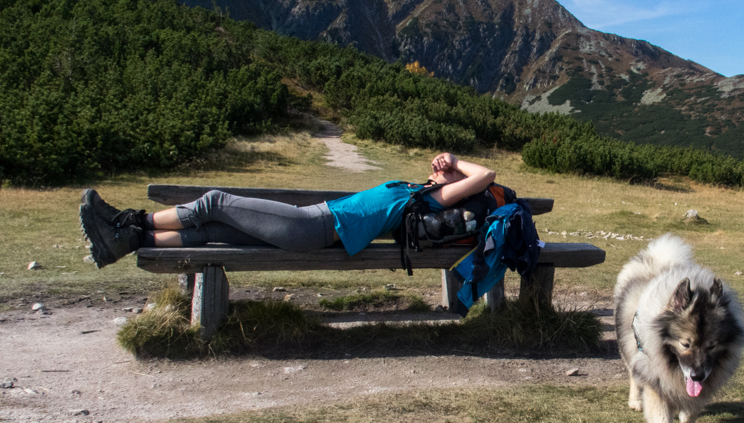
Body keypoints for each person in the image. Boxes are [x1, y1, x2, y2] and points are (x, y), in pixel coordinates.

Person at [79, 153, 496, 268]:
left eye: (450, 175)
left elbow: (488, 173)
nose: (440, 170)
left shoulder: (426, 200)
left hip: (315, 227)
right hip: (315, 221)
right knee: (212, 231)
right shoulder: (417, 191)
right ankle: (129, 242)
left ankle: (127, 223)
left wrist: (456, 160)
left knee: (215, 203)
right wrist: (443, 166)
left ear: (456, 190)